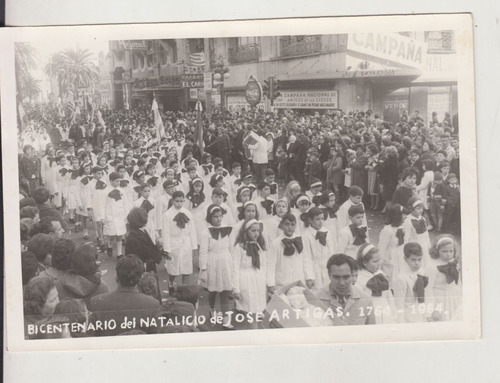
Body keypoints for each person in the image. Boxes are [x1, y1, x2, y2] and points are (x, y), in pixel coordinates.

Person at [90, 255, 161, 336]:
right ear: (140, 278)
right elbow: (155, 338)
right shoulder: (152, 304)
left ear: (116, 277)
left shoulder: (97, 302)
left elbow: (91, 338)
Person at [198, 204, 234, 329]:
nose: (218, 219)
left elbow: (231, 248)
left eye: (220, 216)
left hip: (225, 260)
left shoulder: (228, 229)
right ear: (210, 218)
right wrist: (203, 269)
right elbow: (203, 251)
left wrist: (233, 264)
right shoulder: (205, 233)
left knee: (225, 290)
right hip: (212, 261)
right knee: (213, 289)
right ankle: (212, 309)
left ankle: (226, 320)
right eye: (215, 217)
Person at [316, 254, 376, 325]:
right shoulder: (315, 299)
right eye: (336, 277)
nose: (342, 283)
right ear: (329, 275)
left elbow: (372, 332)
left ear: (352, 275)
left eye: (346, 277)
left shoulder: (365, 300)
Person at [232, 219, 269, 328]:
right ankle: (254, 333)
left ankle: (257, 328)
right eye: (253, 231)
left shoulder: (260, 245)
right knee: (250, 310)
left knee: (259, 309)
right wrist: (236, 288)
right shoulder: (239, 247)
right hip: (245, 280)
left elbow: (263, 265)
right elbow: (235, 268)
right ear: (246, 231)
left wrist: (265, 282)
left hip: (258, 279)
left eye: (258, 231)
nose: (256, 233)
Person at [162, 191, 198, 294]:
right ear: (172, 201)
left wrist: (194, 246)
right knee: (173, 269)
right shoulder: (167, 215)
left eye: (181, 201)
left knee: (186, 270)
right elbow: (166, 233)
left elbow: (192, 231)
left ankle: (185, 292)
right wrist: (167, 250)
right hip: (174, 244)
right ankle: (170, 282)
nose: (179, 203)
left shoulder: (187, 213)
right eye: (177, 201)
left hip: (185, 243)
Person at [267, 213, 314, 290]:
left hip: (298, 280)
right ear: (282, 225)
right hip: (282, 282)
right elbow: (271, 265)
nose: (290, 227)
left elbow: (306, 260)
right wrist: (270, 284)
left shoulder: (300, 241)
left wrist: (309, 277)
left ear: (296, 226)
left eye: (292, 225)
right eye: (287, 224)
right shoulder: (276, 243)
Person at [354, 244, 396, 324]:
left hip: (386, 313)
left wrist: (394, 316)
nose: (378, 263)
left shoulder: (381, 274)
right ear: (364, 262)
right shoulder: (359, 278)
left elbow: (389, 297)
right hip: (371, 315)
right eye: (375, 261)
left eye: (379, 260)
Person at [425, 236, 462, 321]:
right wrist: (431, 309)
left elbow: (458, 282)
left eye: (451, 251)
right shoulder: (432, 266)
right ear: (437, 251)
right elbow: (427, 288)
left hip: (454, 297)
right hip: (440, 301)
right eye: (444, 251)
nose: (448, 254)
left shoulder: (454, 263)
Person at [393, 242, 428, 323]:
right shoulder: (401, 278)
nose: (417, 263)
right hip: (408, 316)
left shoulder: (421, 271)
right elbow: (399, 304)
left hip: (420, 312)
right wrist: (401, 322)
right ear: (406, 259)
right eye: (413, 260)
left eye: (419, 259)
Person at [302, 207, 336, 290]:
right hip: (314, 269)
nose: (321, 222)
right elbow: (306, 258)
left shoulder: (326, 232)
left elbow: (331, 251)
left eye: (322, 219)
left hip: (327, 268)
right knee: (317, 292)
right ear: (310, 220)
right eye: (317, 219)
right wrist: (309, 276)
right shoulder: (306, 236)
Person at [377, 204, 408, 285]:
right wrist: (378, 268)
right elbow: (381, 249)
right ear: (397, 216)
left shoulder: (401, 228)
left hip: (400, 259)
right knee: (391, 283)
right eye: (404, 214)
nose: (406, 216)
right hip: (390, 259)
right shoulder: (387, 230)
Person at [125, 207, 163, 272]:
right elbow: (135, 260)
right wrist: (158, 252)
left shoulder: (141, 231)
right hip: (143, 271)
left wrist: (157, 247)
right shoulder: (134, 237)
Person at [103, 172, 130, 259]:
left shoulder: (122, 191)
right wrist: (103, 217)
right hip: (110, 215)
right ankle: (109, 244)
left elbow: (126, 203)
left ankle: (119, 253)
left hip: (120, 216)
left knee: (120, 234)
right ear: (111, 181)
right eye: (116, 181)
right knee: (111, 235)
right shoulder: (106, 191)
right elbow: (102, 205)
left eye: (119, 181)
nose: (118, 183)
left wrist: (127, 214)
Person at [403, 197, 431, 268]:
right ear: (411, 209)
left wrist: (429, 246)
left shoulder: (422, 219)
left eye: (422, 208)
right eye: (418, 209)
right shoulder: (408, 221)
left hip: (424, 246)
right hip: (414, 248)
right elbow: (405, 238)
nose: (421, 210)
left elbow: (426, 234)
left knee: (426, 264)